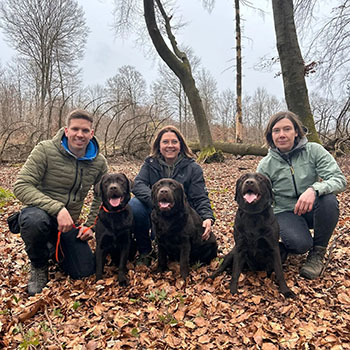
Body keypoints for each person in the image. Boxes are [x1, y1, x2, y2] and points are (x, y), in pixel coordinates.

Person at [14, 109, 108, 295]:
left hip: (68, 225)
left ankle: (52, 249)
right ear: (66, 130)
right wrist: (58, 209)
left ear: (92, 133)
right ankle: (39, 266)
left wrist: (90, 226)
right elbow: (21, 185)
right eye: (75, 129)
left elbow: (102, 195)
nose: (79, 134)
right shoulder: (45, 150)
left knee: (84, 271)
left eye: (85, 130)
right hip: (40, 214)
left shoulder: (98, 162)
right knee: (34, 221)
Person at [257, 111, 347, 279]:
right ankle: (300, 238)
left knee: (328, 200)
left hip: (313, 208)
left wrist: (314, 189)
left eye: (287, 129)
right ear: (271, 135)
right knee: (299, 245)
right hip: (284, 212)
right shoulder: (265, 165)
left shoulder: (314, 151)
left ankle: (318, 253)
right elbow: (262, 201)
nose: (282, 135)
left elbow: (339, 180)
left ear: (296, 131)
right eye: (276, 131)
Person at [130, 125, 215, 265]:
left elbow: (200, 196)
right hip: (157, 210)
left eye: (174, 142)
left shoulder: (193, 168)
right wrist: (157, 202)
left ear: (180, 145)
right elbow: (138, 185)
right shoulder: (150, 164)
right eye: (165, 142)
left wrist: (207, 217)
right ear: (159, 145)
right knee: (134, 205)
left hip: (181, 216)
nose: (170, 146)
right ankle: (146, 252)